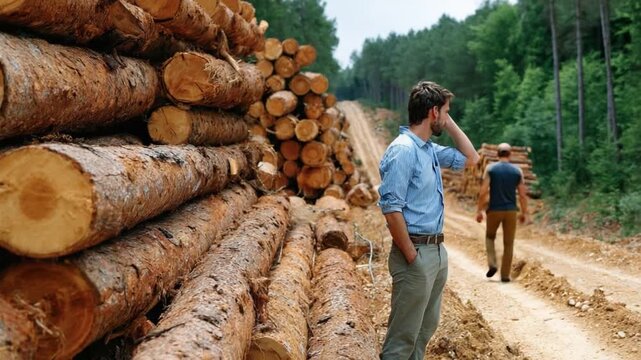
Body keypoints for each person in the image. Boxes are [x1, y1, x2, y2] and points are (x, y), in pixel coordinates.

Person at [378, 81, 479, 359]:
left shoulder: (428, 149)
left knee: (422, 333)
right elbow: (391, 209)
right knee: (402, 341)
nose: (447, 118)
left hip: (435, 251)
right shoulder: (403, 150)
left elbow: (472, 159)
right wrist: (412, 256)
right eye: (445, 112)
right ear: (433, 112)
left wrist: (448, 123)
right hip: (416, 253)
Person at [475, 142, 529, 282]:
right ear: (510, 154)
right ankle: (505, 275)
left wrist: (479, 210)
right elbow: (522, 195)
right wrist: (524, 213)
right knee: (509, 243)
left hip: (494, 210)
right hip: (511, 211)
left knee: (490, 237)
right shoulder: (518, 171)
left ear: (497, 154)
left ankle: (492, 263)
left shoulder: (491, 169)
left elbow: (483, 192)